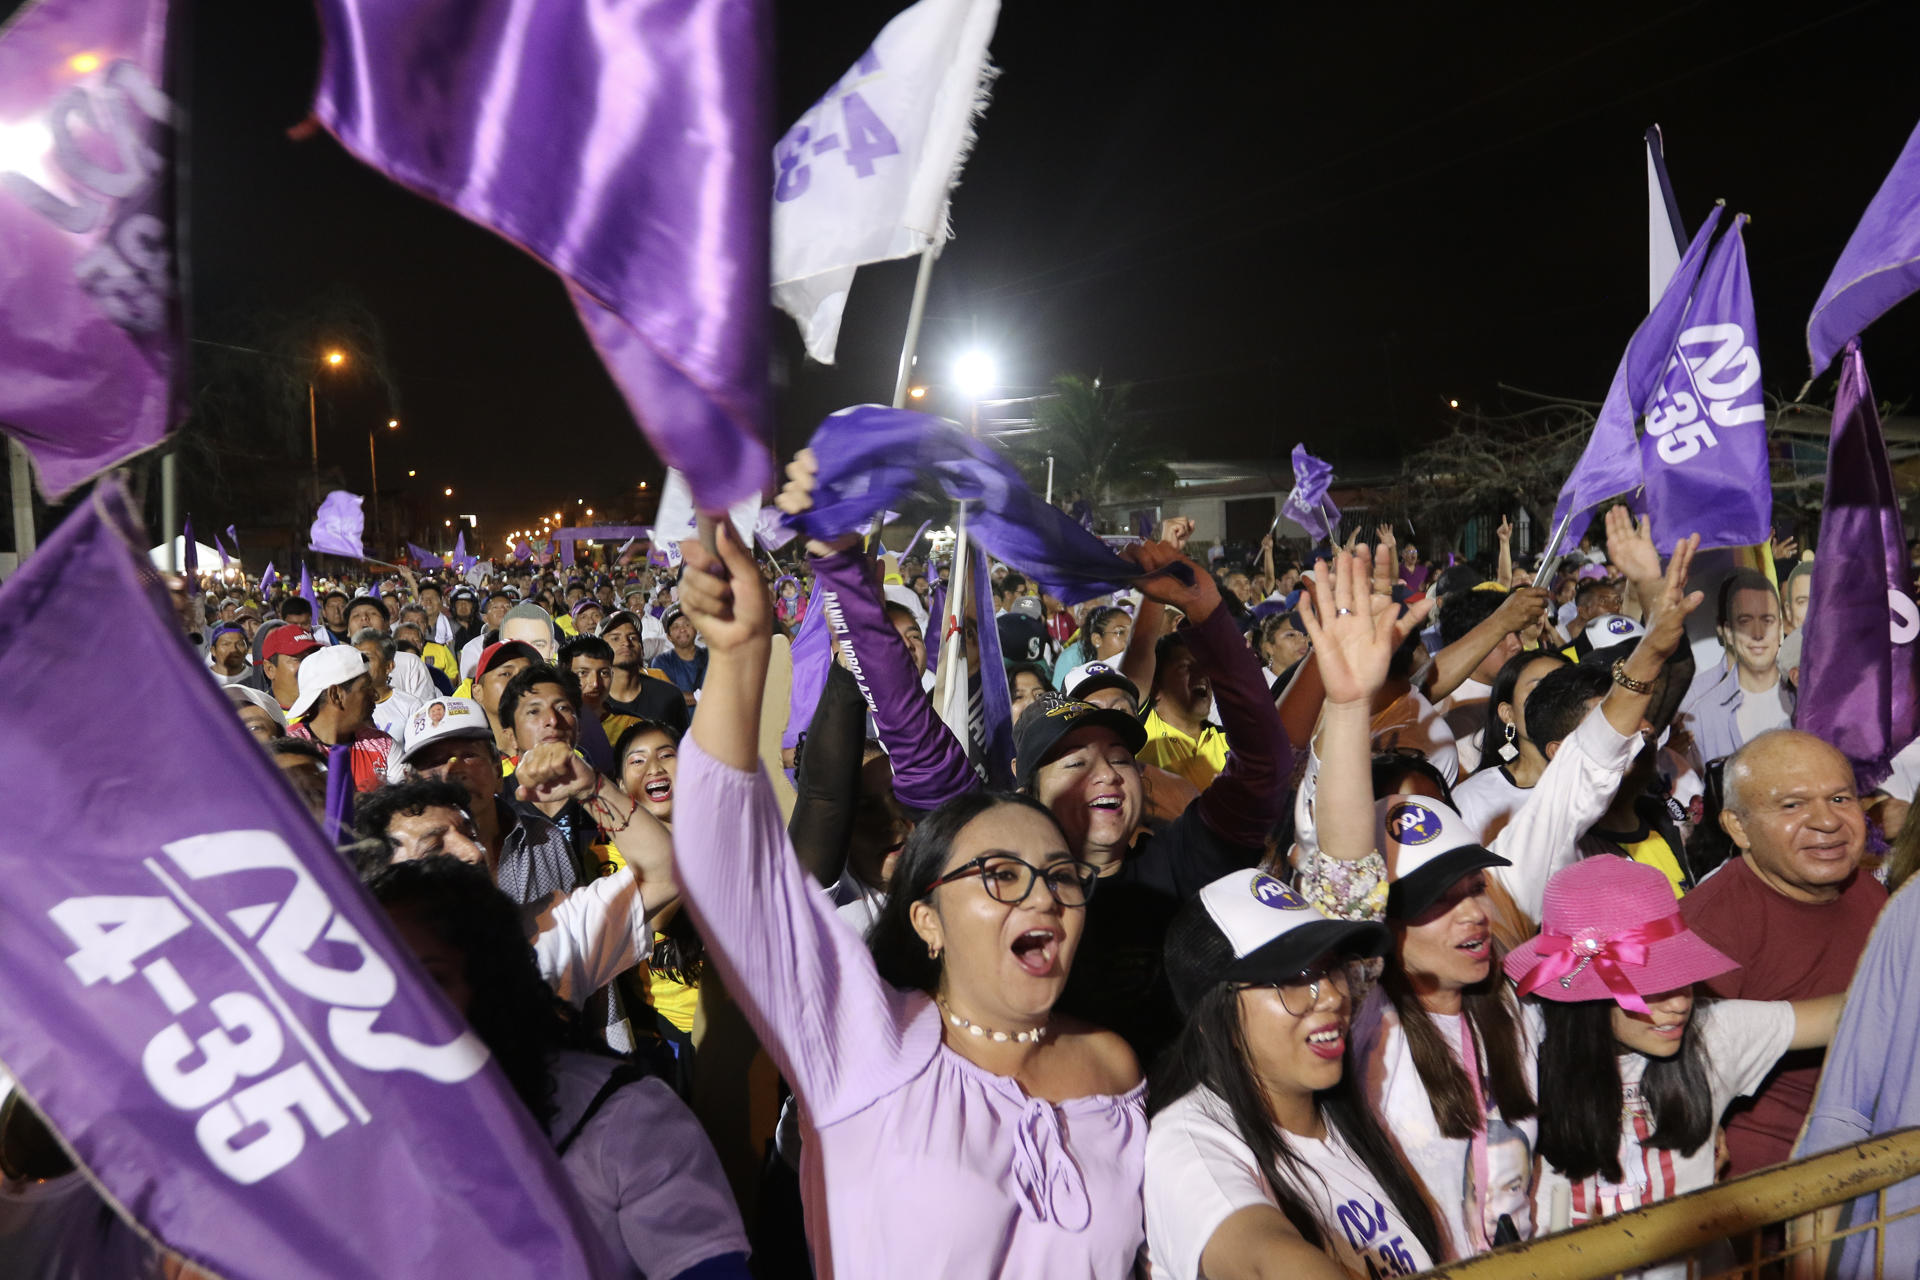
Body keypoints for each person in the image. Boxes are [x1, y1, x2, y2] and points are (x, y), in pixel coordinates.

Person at [674, 520, 1147, 1280]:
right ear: (924, 917)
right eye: (1000, 875)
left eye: (1060, 876)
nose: (1044, 897)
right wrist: (736, 660)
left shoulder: (1113, 1066)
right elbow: (729, 870)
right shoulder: (862, 1047)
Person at [364, 856, 750, 1279]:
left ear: (492, 983)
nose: (398, 1003)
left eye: (430, 980)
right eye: (373, 980)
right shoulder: (342, 1144)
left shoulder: (620, 1120)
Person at [1511, 856, 1839, 1267]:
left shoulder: (1713, 1033)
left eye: (1682, 975)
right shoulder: (1520, 1046)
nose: (1680, 1003)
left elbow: (1845, 1013)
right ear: (1587, 995)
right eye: (1652, 988)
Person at [1146, 869, 1441, 1280]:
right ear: (1215, 1016)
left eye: (1332, 968)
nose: (1335, 996)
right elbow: (1265, 1259)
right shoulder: (1189, 1142)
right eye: (1291, 979)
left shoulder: (1345, 1116)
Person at [1678, 728, 1885, 1176]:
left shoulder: (1867, 891)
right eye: (1792, 805)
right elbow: (1672, 1073)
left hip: (1878, 1159)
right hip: (1774, 1192)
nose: (1827, 822)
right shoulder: (1706, 927)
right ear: (1738, 827)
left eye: (1840, 799)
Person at [1449, 649, 1571, 841]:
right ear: (1508, 713)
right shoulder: (1474, 798)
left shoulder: (1605, 778)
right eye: (1539, 688)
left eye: (1567, 687)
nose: (1556, 698)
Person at [1677, 571, 1793, 766]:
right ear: (1728, 633)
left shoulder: (1807, 701)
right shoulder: (1700, 718)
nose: (1758, 634)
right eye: (1745, 621)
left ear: (1780, 628)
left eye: (1767, 620)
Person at [285, 646, 395, 794]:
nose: (375, 696)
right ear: (336, 695)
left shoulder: (383, 744)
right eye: (366, 687)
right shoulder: (289, 750)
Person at [1139, 629, 1230, 792]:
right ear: (1155, 688)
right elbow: (1138, 645)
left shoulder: (1232, 743)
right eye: (1185, 667)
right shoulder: (1138, 730)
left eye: (1204, 666)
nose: (1202, 674)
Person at [598, 610, 692, 734]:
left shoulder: (669, 696)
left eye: (632, 637)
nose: (626, 643)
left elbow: (682, 749)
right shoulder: (591, 702)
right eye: (615, 638)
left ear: (641, 649)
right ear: (601, 651)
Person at [353, 627, 423, 740]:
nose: (361, 665)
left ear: (389, 666)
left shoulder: (411, 707)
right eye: (357, 658)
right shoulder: (345, 704)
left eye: (367, 658)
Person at [655, 606, 707, 707]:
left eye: (687, 624)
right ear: (669, 636)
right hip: (679, 722)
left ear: (696, 629)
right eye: (675, 627)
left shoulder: (712, 657)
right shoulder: (661, 662)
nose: (682, 629)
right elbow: (668, 696)